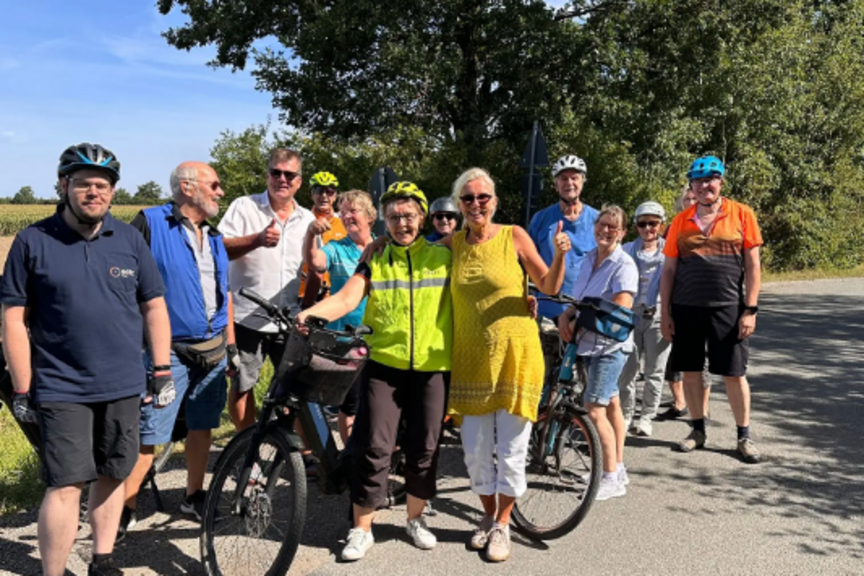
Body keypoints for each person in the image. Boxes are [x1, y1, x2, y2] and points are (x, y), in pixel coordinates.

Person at [0, 143, 173, 576]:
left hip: (123, 382)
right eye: (83, 184)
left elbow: (153, 306)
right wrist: (23, 387)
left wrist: (162, 370)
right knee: (66, 483)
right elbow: (13, 318)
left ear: (113, 191)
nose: (93, 192)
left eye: (102, 185)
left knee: (115, 472)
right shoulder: (32, 240)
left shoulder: (130, 239)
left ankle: (103, 559)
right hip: (61, 386)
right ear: (64, 186)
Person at [298, 182, 451, 562]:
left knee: (425, 448)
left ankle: (415, 519)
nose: (402, 223)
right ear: (385, 220)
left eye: (409, 215)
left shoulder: (443, 256)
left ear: (422, 216)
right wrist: (311, 314)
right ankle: (361, 528)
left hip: (433, 367)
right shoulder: (376, 257)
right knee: (375, 447)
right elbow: (349, 296)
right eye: (395, 216)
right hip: (385, 365)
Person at [445, 168, 570, 562]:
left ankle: (502, 524)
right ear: (459, 205)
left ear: (494, 201)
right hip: (470, 360)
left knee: (512, 449)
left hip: (516, 355)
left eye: (483, 197)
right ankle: (486, 516)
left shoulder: (514, 235)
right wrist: (375, 240)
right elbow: (409, 250)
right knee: (475, 450)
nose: (476, 204)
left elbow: (548, 286)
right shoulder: (451, 245)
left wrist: (561, 253)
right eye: (468, 199)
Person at [121, 162, 238, 533]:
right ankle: (124, 508)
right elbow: (121, 282)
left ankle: (193, 496)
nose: (221, 192)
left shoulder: (215, 236)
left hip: (213, 348)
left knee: (202, 426)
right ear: (188, 187)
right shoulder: (149, 223)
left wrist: (231, 345)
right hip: (165, 352)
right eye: (215, 184)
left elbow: (226, 293)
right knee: (149, 433)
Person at [660, 155, 763, 464]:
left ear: (721, 182)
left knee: (734, 374)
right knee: (691, 372)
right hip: (686, 307)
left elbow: (753, 265)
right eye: (699, 180)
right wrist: (665, 313)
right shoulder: (680, 221)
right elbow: (668, 271)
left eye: (711, 179)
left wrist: (751, 309)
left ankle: (744, 436)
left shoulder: (742, 214)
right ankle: (697, 430)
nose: (705, 185)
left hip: (728, 307)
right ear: (692, 184)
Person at [218, 148, 315, 431]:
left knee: (294, 388)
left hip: (289, 318)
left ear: (299, 181)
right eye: (276, 172)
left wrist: (308, 309)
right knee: (242, 384)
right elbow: (219, 249)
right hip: (247, 315)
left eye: (289, 174)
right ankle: (246, 449)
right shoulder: (244, 207)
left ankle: (292, 449)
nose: (282, 179)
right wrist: (256, 240)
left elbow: (314, 268)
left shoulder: (307, 218)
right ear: (267, 175)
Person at [558, 205, 638, 501]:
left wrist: (579, 320)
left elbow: (620, 309)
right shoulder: (589, 257)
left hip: (608, 347)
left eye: (612, 228)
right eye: (602, 225)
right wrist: (566, 316)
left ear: (622, 233)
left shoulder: (624, 264)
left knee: (594, 408)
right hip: (587, 344)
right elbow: (578, 301)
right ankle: (617, 466)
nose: (605, 231)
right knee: (612, 404)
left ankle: (609, 478)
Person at [303, 189, 376, 442]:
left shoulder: (382, 247)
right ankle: (349, 460)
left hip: (378, 340)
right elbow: (316, 262)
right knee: (351, 404)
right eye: (342, 212)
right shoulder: (336, 247)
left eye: (352, 211)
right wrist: (311, 234)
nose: (346, 216)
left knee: (377, 403)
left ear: (369, 215)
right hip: (346, 340)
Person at [656, 186, 711, 420]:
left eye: (693, 198)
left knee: (701, 360)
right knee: (672, 356)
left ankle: (704, 408)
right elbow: (665, 264)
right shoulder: (674, 227)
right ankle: (679, 403)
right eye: (687, 198)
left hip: (701, 300)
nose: (691, 201)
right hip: (676, 299)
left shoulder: (709, 227)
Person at [617, 201, 671, 437]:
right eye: (643, 223)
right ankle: (626, 413)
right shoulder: (626, 249)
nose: (648, 228)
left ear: (661, 225)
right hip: (630, 314)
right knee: (627, 370)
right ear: (636, 226)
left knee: (654, 371)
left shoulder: (671, 251)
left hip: (658, 314)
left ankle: (647, 416)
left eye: (653, 223)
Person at [529, 154, 599, 320]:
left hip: (583, 311)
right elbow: (528, 262)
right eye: (563, 178)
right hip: (545, 308)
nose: (569, 183)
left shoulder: (598, 220)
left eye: (574, 178)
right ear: (556, 184)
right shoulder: (541, 219)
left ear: (583, 181)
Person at [299, 171, 347, 308]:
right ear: (312, 194)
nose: (324, 196)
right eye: (319, 191)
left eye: (330, 191)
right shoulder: (301, 220)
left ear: (335, 195)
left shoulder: (343, 223)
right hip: (305, 292)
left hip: (335, 294)